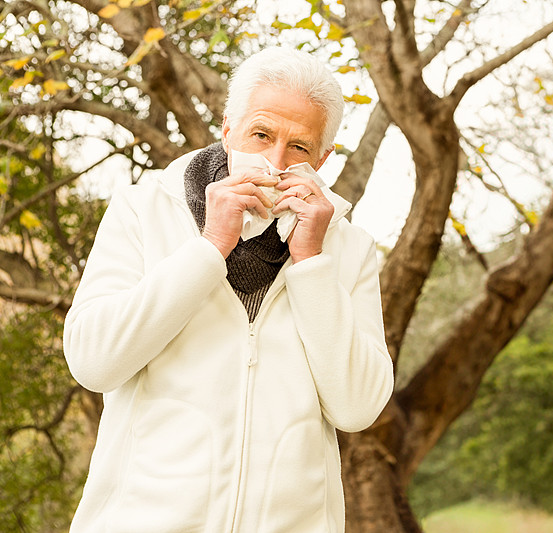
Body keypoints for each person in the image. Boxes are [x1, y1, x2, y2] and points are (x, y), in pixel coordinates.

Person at [63, 47, 394, 532]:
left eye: (299, 148)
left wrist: (312, 264)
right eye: (261, 135)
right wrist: (209, 248)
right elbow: (93, 362)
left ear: (322, 158)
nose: (275, 162)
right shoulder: (142, 209)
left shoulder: (349, 250)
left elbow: (357, 408)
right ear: (227, 129)